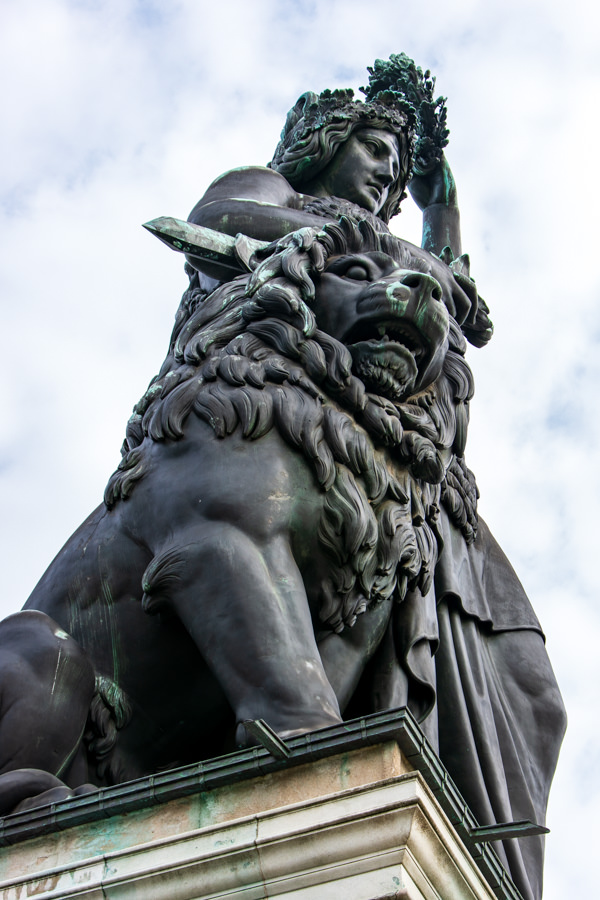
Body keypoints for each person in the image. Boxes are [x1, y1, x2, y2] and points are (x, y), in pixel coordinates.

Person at [182, 66, 565, 900]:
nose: (388, 173)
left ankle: (480, 869)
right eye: (376, 149)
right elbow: (219, 217)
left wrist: (444, 206)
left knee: (532, 694)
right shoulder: (280, 194)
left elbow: (458, 294)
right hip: (303, 431)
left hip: (415, 472)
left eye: (398, 164)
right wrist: (372, 256)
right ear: (326, 143)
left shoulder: (398, 251)